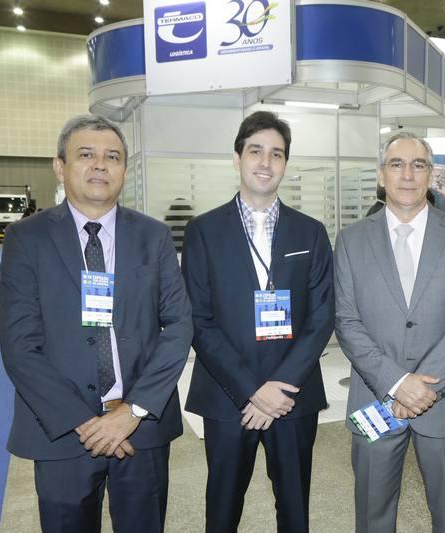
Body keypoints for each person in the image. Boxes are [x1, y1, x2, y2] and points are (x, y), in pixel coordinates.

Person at [0, 115, 193, 532]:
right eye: (86, 155)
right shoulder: (27, 239)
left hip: (141, 426)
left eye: (113, 157)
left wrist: (132, 412)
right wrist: (87, 424)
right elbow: (19, 346)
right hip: (62, 431)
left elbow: (179, 326)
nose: (100, 165)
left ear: (125, 169)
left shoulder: (154, 236)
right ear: (60, 166)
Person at [181, 110, 334, 533]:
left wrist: (279, 386)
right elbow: (198, 319)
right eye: (255, 151)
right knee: (222, 510)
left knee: (295, 510)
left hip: (293, 397)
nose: (266, 162)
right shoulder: (203, 231)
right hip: (228, 396)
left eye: (277, 154)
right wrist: (252, 390)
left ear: (285, 163)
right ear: (237, 158)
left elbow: (322, 315)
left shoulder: (311, 232)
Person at [334, 132, 445, 533]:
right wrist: (397, 382)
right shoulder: (350, 240)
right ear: (381, 174)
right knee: (372, 516)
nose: (407, 175)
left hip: (444, 402)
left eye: (418, 165)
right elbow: (346, 321)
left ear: (430, 174)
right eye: (397, 164)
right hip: (374, 399)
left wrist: (421, 387)